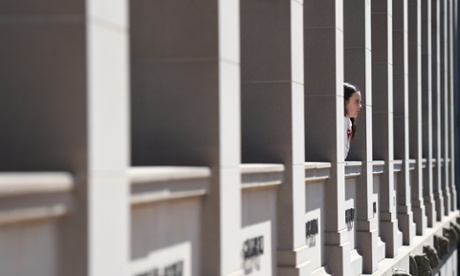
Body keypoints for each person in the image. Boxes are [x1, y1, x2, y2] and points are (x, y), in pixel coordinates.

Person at [344, 83, 362, 159]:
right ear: (345, 102)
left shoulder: (348, 121)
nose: (360, 106)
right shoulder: (340, 121)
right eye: (356, 102)